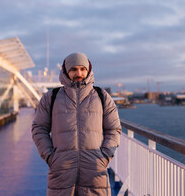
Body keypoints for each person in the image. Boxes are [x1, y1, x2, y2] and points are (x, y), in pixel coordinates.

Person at [32, 52, 121, 196]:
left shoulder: (102, 97)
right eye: (73, 69)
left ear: (88, 70)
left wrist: (104, 157)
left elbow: (114, 129)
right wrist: (50, 156)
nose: (78, 73)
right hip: (61, 171)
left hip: (94, 170)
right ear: (66, 71)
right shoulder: (51, 98)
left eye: (82, 69)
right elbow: (39, 128)